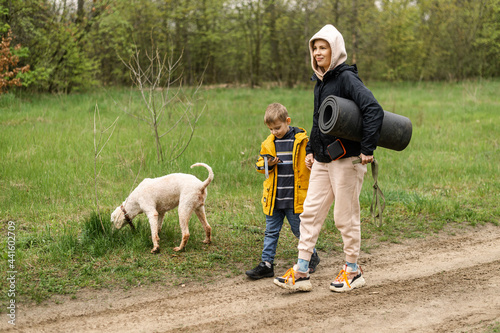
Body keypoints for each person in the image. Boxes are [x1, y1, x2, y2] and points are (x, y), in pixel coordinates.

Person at [273, 24, 384, 292]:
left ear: (335, 50)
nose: (318, 52)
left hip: (347, 159)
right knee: (309, 213)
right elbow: (318, 120)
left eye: (323, 48)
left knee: (344, 216)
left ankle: (353, 271)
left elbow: (373, 110)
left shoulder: (346, 78)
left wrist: (368, 149)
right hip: (323, 159)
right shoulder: (320, 82)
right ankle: (301, 271)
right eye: (315, 48)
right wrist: (311, 149)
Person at [245, 103, 320, 280]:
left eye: (277, 127)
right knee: (271, 231)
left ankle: (312, 255)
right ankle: (267, 264)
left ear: (288, 121)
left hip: (294, 198)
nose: (274, 132)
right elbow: (259, 164)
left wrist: (312, 161)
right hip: (274, 198)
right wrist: (267, 164)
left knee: (299, 231)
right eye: (271, 129)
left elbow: (312, 161)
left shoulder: (302, 141)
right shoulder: (268, 144)